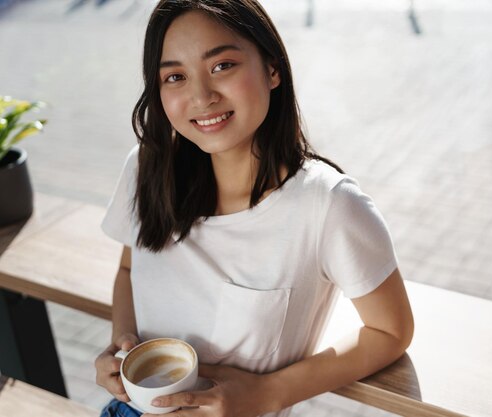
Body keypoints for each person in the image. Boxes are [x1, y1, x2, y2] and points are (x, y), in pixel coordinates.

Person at [94, 1, 414, 416]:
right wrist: (123, 350)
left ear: (273, 68)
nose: (201, 96)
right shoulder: (147, 167)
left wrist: (269, 393)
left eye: (222, 66)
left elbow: (390, 330)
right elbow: (127, 269)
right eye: (175, 76)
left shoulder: (328, 205)